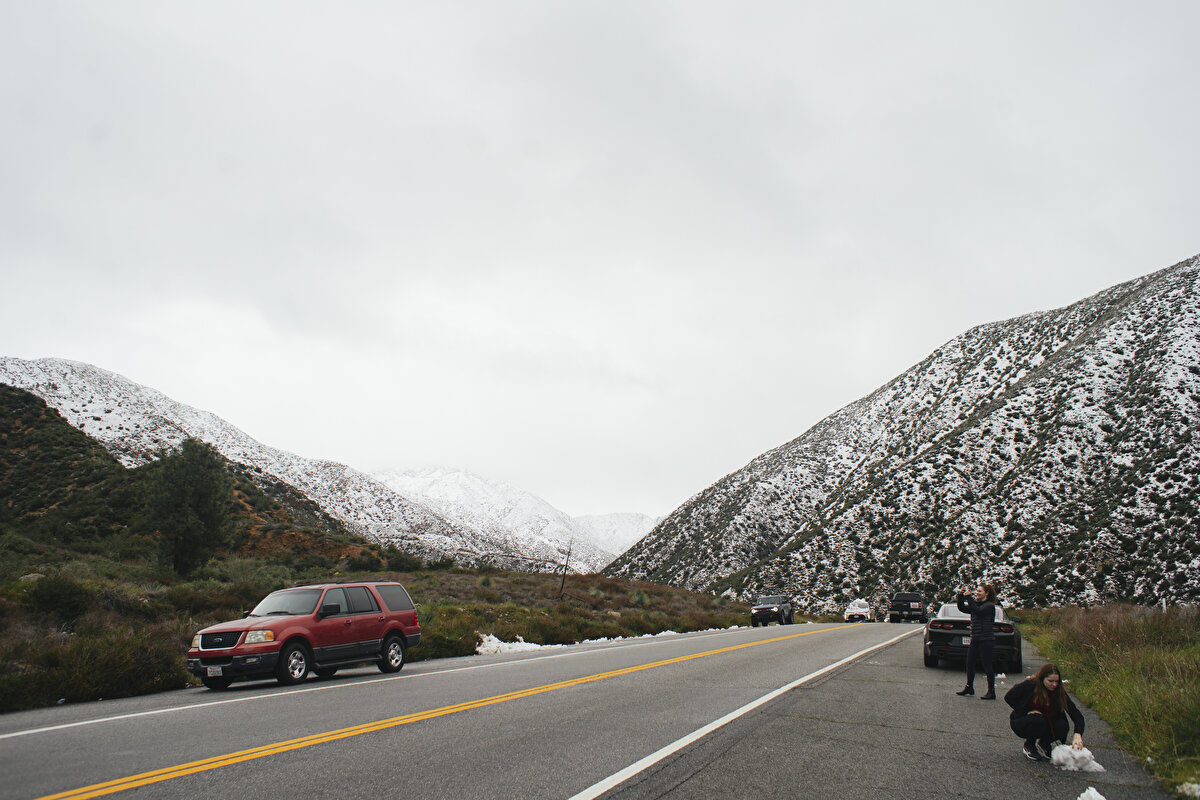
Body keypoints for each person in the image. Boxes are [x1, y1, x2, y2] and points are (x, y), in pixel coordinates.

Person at [1004, 663, 1086, 760]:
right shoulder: (1030, 685)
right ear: (1042, 678)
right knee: (1038, 719)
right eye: (1050, 681)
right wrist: (1027, 710)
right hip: (1024, 721)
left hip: (1047, 723)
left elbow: (1076, 715)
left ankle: (1044, 743)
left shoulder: (1059, 692)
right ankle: (1029, 745)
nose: (1054, 684)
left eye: (1057, 681)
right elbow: (1009, 697)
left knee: (1062, 726)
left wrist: (1078, 734)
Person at [954, 583, 998, 699]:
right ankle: (969, 687)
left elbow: (978, 611)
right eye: (977, 591)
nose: (977, 593)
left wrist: (969, 597)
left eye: (980, 591)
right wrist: (960, 595)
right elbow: (962, 608)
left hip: (986, 639)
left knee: (987, 665)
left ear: (986, 593)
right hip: (976, 638)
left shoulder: (989, 606)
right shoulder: (977, 605)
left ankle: (991, 691)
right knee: (970, 663)